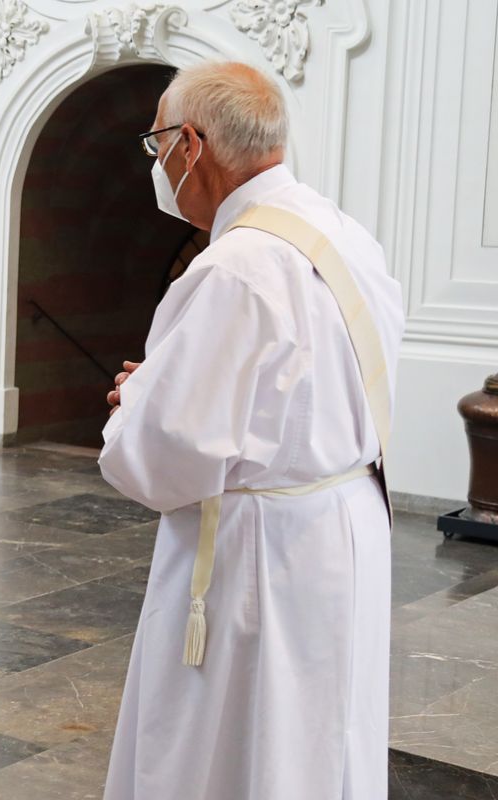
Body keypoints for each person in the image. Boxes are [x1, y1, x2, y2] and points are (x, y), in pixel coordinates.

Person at [100, 61, 404, 799]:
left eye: (157, 144)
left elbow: (160, 460)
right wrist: (172, 384)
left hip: (259, 554)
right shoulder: (339, 231)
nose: (158, 163)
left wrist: (134, 403)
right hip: (341, 522)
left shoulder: (235, 268)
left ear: (190, 145)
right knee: (322, 736)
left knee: (242, 748)